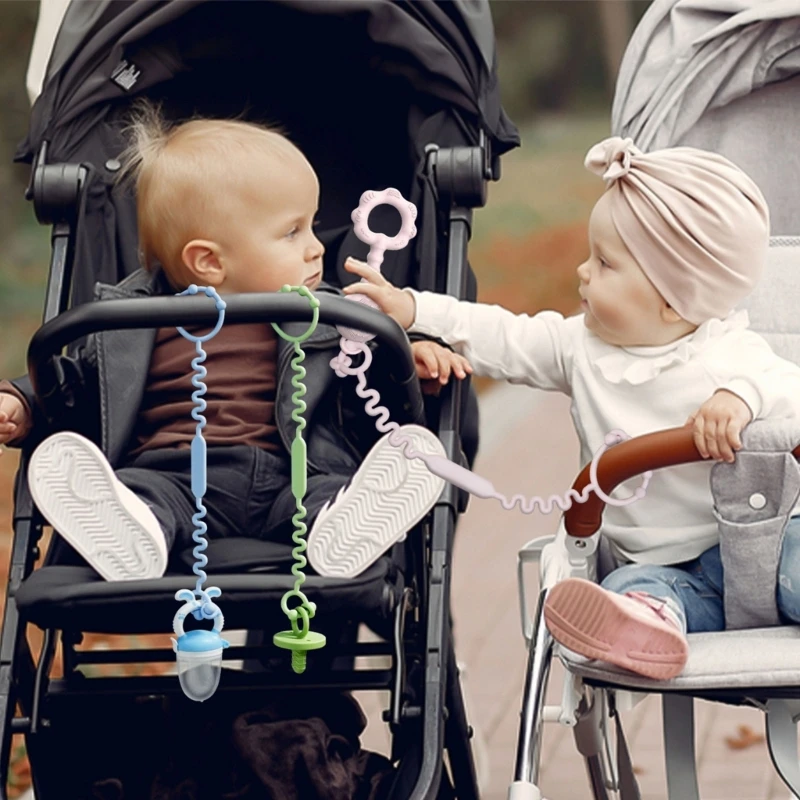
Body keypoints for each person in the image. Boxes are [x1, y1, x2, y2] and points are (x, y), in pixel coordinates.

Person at [338, 136, 800, 680]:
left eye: (604, 264)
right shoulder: (578, 347)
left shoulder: (728, 352)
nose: (582, 272)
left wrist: (739, 399)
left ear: (674, 300)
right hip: (660, 565)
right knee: (631, 591)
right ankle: (643, 626)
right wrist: (412, 307)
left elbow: (784, 389)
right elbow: (502, 334)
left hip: (760, 545)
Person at [0, 104, 472, 582]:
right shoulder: (128, 320)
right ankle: (131, 531)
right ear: (208, 262)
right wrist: (24, 401)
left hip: (290, 476)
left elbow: (363, 375)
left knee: (322, 494)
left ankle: (340, 527)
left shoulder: (325, 315)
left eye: (311, 225)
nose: (318, 247)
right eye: (292, 232)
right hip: (170, 475)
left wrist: (408, 359)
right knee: (140, 496)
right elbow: (73, 382)